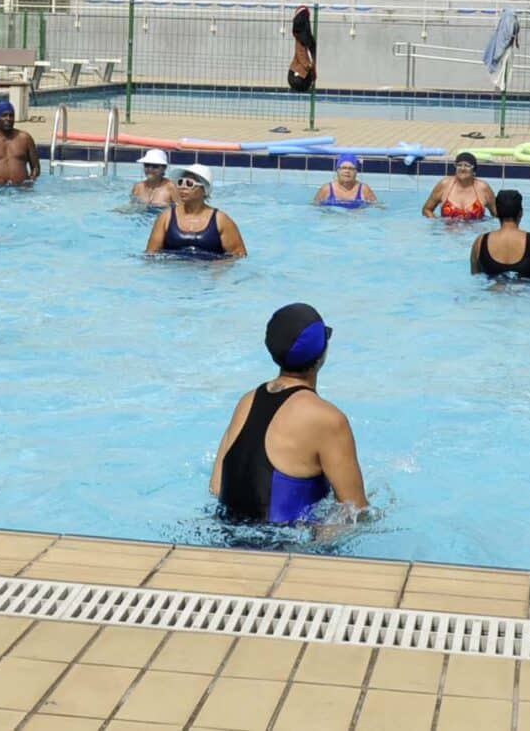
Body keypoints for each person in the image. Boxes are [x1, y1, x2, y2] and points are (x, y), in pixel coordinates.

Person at [211, 303, 368, 535]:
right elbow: (356, 512)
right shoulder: (327, 419)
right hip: (284, 547)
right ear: (322, 354)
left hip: (223, 537)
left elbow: (216, 488)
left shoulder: (246, 401)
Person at [147, 164, 248, 259]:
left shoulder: (221, 220)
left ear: (204, 189)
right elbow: (151, 254)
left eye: (189, 183)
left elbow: (239, 256)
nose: (183, 187)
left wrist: (219, 267)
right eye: (180, 182)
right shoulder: (166, 217)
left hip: (206, 274)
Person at [469, 190, 530, 280]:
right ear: (521, 213)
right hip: (527, 294)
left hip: (492, 294)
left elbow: (475, 276)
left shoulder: (480, 242)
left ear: (497, 212)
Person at [422, 152, 495, 221]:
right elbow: (427, 209)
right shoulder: (445, 185)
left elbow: (496, 213)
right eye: (459, 165)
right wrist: (436, 223)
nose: (462, 168)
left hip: (475, 232)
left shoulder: (483, 187)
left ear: (474, 170)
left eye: (467, 165)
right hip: (447, 232)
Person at [313, 155, 377, 209]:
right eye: (344, 168)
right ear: (337, 170)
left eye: (351, 168)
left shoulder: (364, 189)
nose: (347, 171)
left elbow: (377, 207)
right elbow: (315, 208)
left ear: (356, 171)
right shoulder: (327, 189)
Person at [286, 5, 316, 93]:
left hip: (299, 76)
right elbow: (301, 54)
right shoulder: (304, 39)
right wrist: (309, 67)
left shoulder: (302, 38)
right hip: (299, 75)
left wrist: (310, 67)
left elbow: (302, 54)